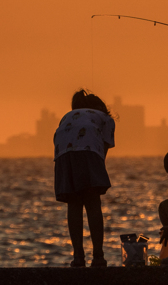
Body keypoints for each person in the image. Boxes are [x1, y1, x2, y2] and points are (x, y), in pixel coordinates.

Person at [53, 89, 116, 267]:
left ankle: (78, 257)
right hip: (88, 152)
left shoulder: (69, 115)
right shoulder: (105, 118)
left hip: (63, 154)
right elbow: (101, 151)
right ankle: (98, 256)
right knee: (93, 203)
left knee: (74, 204)